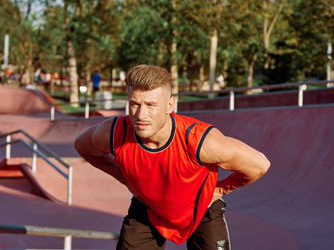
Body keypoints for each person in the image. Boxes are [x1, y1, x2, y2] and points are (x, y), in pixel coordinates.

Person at [74, 65, 270, 250]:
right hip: (148, 206)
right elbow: (82, 146)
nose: (141, 114)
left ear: (170, 106)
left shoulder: (199, 141)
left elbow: (259, 164)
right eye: (135, 104)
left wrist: (220, 189)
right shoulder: (114, 133)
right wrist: (124, 179)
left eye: (151, 105)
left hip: (201, 208)